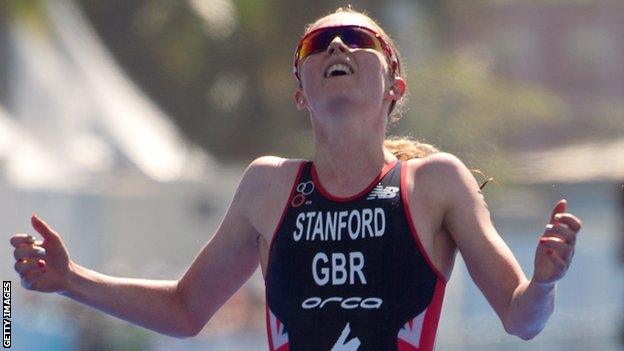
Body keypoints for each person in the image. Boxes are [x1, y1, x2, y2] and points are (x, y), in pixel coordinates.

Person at [10, 7, 582, 351]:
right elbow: (186, 311)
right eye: (317, 43)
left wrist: (545, 284)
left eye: (360, 41)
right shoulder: (268, 187)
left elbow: (520, 318)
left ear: (394, 88)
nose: (337, 44)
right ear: (300, 92)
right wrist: (70, 279)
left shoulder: (435, 183)